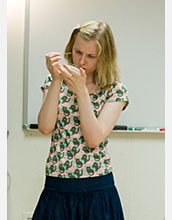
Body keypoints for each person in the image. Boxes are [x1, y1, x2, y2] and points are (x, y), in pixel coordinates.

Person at [32, 20, 129, 220]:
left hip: (97, 188)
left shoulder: (115, 90)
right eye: (77, 52)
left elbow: (93, 138)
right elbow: (45, 126)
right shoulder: (54, 81)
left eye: (91, 56)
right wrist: (57, 80)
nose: (82, 61)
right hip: (57, 184)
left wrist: (81, 92)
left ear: (104, 57)